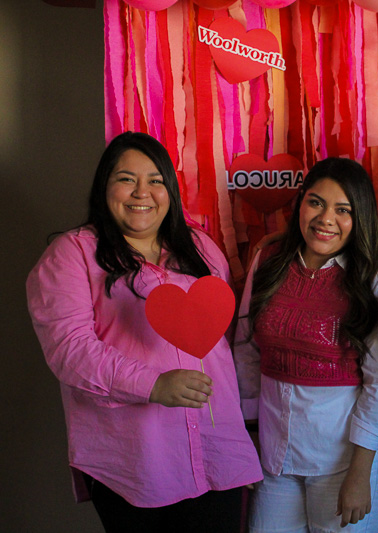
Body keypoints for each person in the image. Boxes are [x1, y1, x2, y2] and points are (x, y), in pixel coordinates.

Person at [26, 132, 261, 532]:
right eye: (126, 179)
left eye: (155, 180)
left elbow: (222, 346)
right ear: (104, 186)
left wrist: (244, 432)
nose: (142, 192)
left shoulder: (201, 248)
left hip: (217, 451)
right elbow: (71, 350)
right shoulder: (71, 254)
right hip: (136, 461)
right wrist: (154, 384)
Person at [233, 157, 378, 532]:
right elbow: (246, 350)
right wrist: (249, 435)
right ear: (300, 203)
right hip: (274, 459)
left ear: (359, 217)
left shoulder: (376, 282)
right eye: (316, 202)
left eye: (343, 210)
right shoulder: (268, 262)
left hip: (343, 463)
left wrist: (360, 472)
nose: (326, 218)